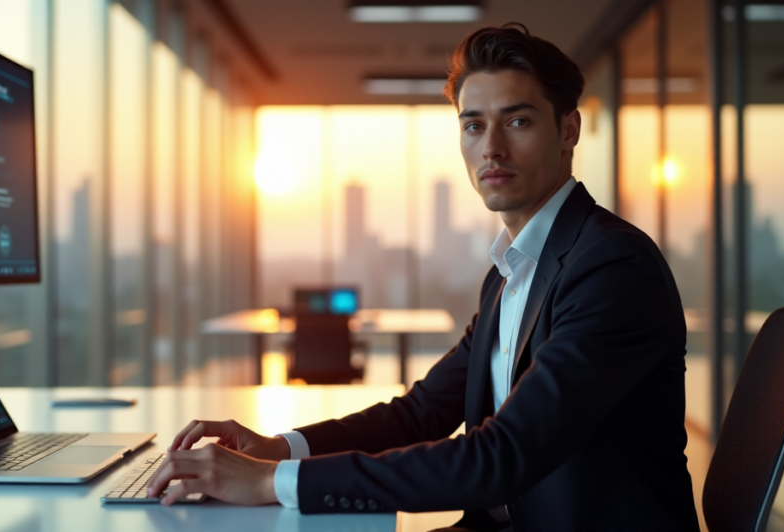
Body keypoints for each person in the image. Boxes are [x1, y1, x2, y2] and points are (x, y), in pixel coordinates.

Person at [146, 22, 700, 532]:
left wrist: (270, 484)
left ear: (568, 130)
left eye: (518, 120)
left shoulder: (610, 267)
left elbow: (502, 457)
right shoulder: (512, 270)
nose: (492, 148)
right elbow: (423, 411)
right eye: (474, 125)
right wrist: (279, 450)